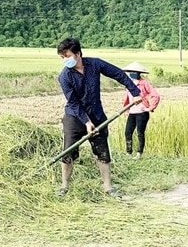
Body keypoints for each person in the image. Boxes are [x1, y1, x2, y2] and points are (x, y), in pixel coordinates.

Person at [56, 38, 142, 197]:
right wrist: (87, 122)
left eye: (67, 56)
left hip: (97, 114)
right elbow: (73, 103)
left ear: (78, 53)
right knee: (68, 151)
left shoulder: (95, 64)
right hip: (74, 117)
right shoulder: (65, 76)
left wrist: (135, 92)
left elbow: (118, 74)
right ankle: (64, 186)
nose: (64, 60)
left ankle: (108, 188)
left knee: (102, 151)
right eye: (62, 57)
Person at [122, 61, 161, 159]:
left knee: (140, 133)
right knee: (128, 132)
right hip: (132, 112)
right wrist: (127, 108)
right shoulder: (129, 83)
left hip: (142, 113)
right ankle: (128, 152)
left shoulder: (144, 83)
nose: (132, 73)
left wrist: (149, 108)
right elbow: (127, 98)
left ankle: (139, 153)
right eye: (131, 71)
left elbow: (155, 95)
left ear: (139, 73)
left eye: (134, 72)